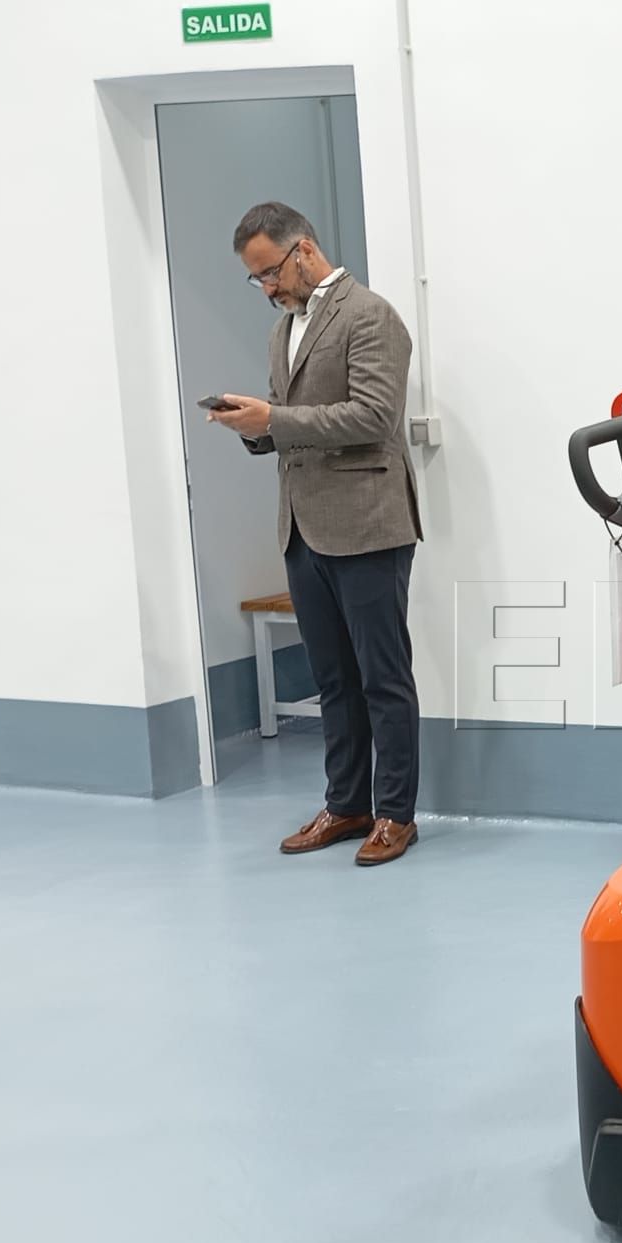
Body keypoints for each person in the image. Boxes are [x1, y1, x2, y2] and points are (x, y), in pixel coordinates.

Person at [208, 202, 424, 867]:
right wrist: (254, 428)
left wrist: (275, 419)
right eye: (257, 279)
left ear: (303, 250)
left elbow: (374, 417)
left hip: (367, 522)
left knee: (382, 676)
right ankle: (347, 803)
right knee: (333, 678)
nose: (266, 289)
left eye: (270, 273)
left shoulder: (371, 316)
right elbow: (292, 421)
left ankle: (395, 814)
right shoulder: (285, 330)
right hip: (302, 527)